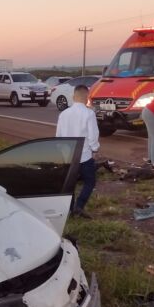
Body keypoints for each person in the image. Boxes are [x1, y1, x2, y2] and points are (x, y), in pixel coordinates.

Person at [56, 84, 99, 217]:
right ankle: (79, 206)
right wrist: (95, 148)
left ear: (74, 97)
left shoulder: (63, 114)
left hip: (68, 156)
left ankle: (69, 210)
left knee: (70, 184)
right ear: (87, 98)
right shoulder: (89, 113)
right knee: (90, 181)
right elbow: (93, 135)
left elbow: (58, 136)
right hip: (84, 156)